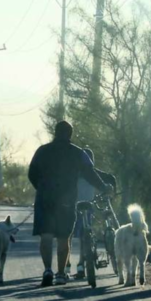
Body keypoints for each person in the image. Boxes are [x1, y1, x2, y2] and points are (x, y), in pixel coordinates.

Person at [28, 121, 114, 287]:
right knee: (63, 237)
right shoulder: (78, 153)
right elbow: (90, 173)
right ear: (70, 134)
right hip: (66, 200)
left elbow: (32, 173)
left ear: (55, 132)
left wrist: (41, 188)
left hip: (44, 198)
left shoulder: (42, 151)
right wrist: (103, 187)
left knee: (46, 236)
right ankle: (60, 274)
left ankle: (47, 270)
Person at [66, 148, 117, 279]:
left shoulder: (72, 172)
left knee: (69, 235)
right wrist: (112, 191)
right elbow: (110, 178)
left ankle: (67, 265)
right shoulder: (93, 173)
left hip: (73, 207)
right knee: (85, 234)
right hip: (88, 206)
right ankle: (81, 264)